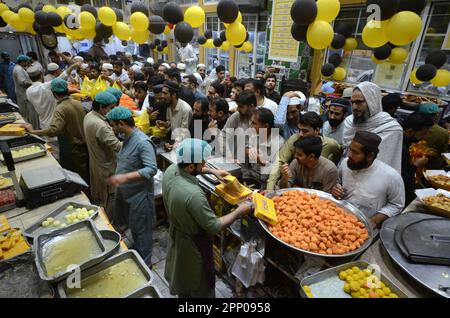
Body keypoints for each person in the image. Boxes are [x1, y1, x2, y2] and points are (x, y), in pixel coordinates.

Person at [162, 138, 254, 298]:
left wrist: (213, 171)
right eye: (202, 163)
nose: (204, 165)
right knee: (199, 285)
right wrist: (240, 210)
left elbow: (192, 169)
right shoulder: (194, 194)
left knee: (183, 278)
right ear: (192, 166)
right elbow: (213, 226)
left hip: (178, 233)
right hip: (194, 244)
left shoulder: (171, 170)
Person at [107, 106, 158, 265]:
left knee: (142, 231)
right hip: (128, 195)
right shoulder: (128, 139)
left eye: (113, 125)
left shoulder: (142, 142)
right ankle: (139, 252)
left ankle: (145, 264)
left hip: (140, 197)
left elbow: (151, 169)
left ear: (121, 124)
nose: (112, 128)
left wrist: (124, 177)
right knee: (135, 228)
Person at [331, 131, 405, 228]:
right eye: (350, 149)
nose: (349, 155)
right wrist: (336, 188)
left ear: (370, 156)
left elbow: (397, 204)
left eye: (355, 153)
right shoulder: (345, 163)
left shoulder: (391, 176)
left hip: (366, 228)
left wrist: (374, 220)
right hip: (337, 222)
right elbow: (338, 181)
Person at [23, 78, 89, 184]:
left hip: (71, 148)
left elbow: (54, 130)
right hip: (83, 146)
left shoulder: (61, 108)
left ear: (53, 93)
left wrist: (33, 131)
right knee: (83, 173)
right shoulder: (77, 103)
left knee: (74, 177)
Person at [267, 112, 342, 190]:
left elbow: (339, 152)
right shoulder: (295, 139)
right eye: (299, 130)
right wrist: (269, 188)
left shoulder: (330, 144)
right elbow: (280, 161)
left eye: (305, 131)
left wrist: (331, 164)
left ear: (317, 130)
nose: (301, 134)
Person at [343, 82, 403, 173]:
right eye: (352, 102)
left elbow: (383, 164)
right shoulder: (349, 122)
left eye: (359, 102)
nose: (354, 107)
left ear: (372, 101)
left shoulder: (390, 128)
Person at [84, 92, 122, 217]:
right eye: (111, 108)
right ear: (101, 107)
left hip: (96, 162)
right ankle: (110, 222)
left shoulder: (89, 116)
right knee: (110, 195)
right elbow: (117, 146)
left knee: (101, 195)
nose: (112, 110)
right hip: (107, 166)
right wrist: (132, 136)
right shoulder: (101, 126)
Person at [242, 108, 285, 189]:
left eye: (254, 123)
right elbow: (245, 163)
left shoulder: (280, 143)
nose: (250, 126)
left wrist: (263, 163)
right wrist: (245, 179)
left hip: (269, 186)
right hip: (251, 181)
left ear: (265, 126)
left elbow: (279, 172)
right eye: (251, 122)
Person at [401, 112, 434, 206]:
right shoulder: (401, 147)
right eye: (423, 133)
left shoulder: (404, 142)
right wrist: (416, 164)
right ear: (410, 131)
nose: (425, 137)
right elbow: (403, 179)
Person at [218, 91, 256, 158]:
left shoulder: (261, 118)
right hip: (235, 160)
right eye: (238, 106)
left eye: (241, 106)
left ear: (251, 106)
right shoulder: (237, 116)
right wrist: (229, 156)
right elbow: (223, 136)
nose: (238, 109)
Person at [154, 81, 193, 146]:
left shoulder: (186, 109)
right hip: (174, 140)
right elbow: (170, 123)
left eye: (165, 93)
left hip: (184, 145)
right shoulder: (169, 105)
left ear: (174, 95)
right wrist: (165, 124)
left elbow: (183, 133)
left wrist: (173, 145)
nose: (162, 96)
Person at [419, 102, 449, 169]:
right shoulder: (443, 132)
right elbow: (442, 154)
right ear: (435, 116)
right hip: (431, 167)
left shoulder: (413, 126)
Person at [13, 55, 32, 120]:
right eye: (27, 62)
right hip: (23, 94)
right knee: (26, 112)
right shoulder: (18, 69)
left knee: (26, 112)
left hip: (22, 93)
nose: (27, 63)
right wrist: (34, 84)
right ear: (22, 62)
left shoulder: (19, 68)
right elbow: (23, 82)